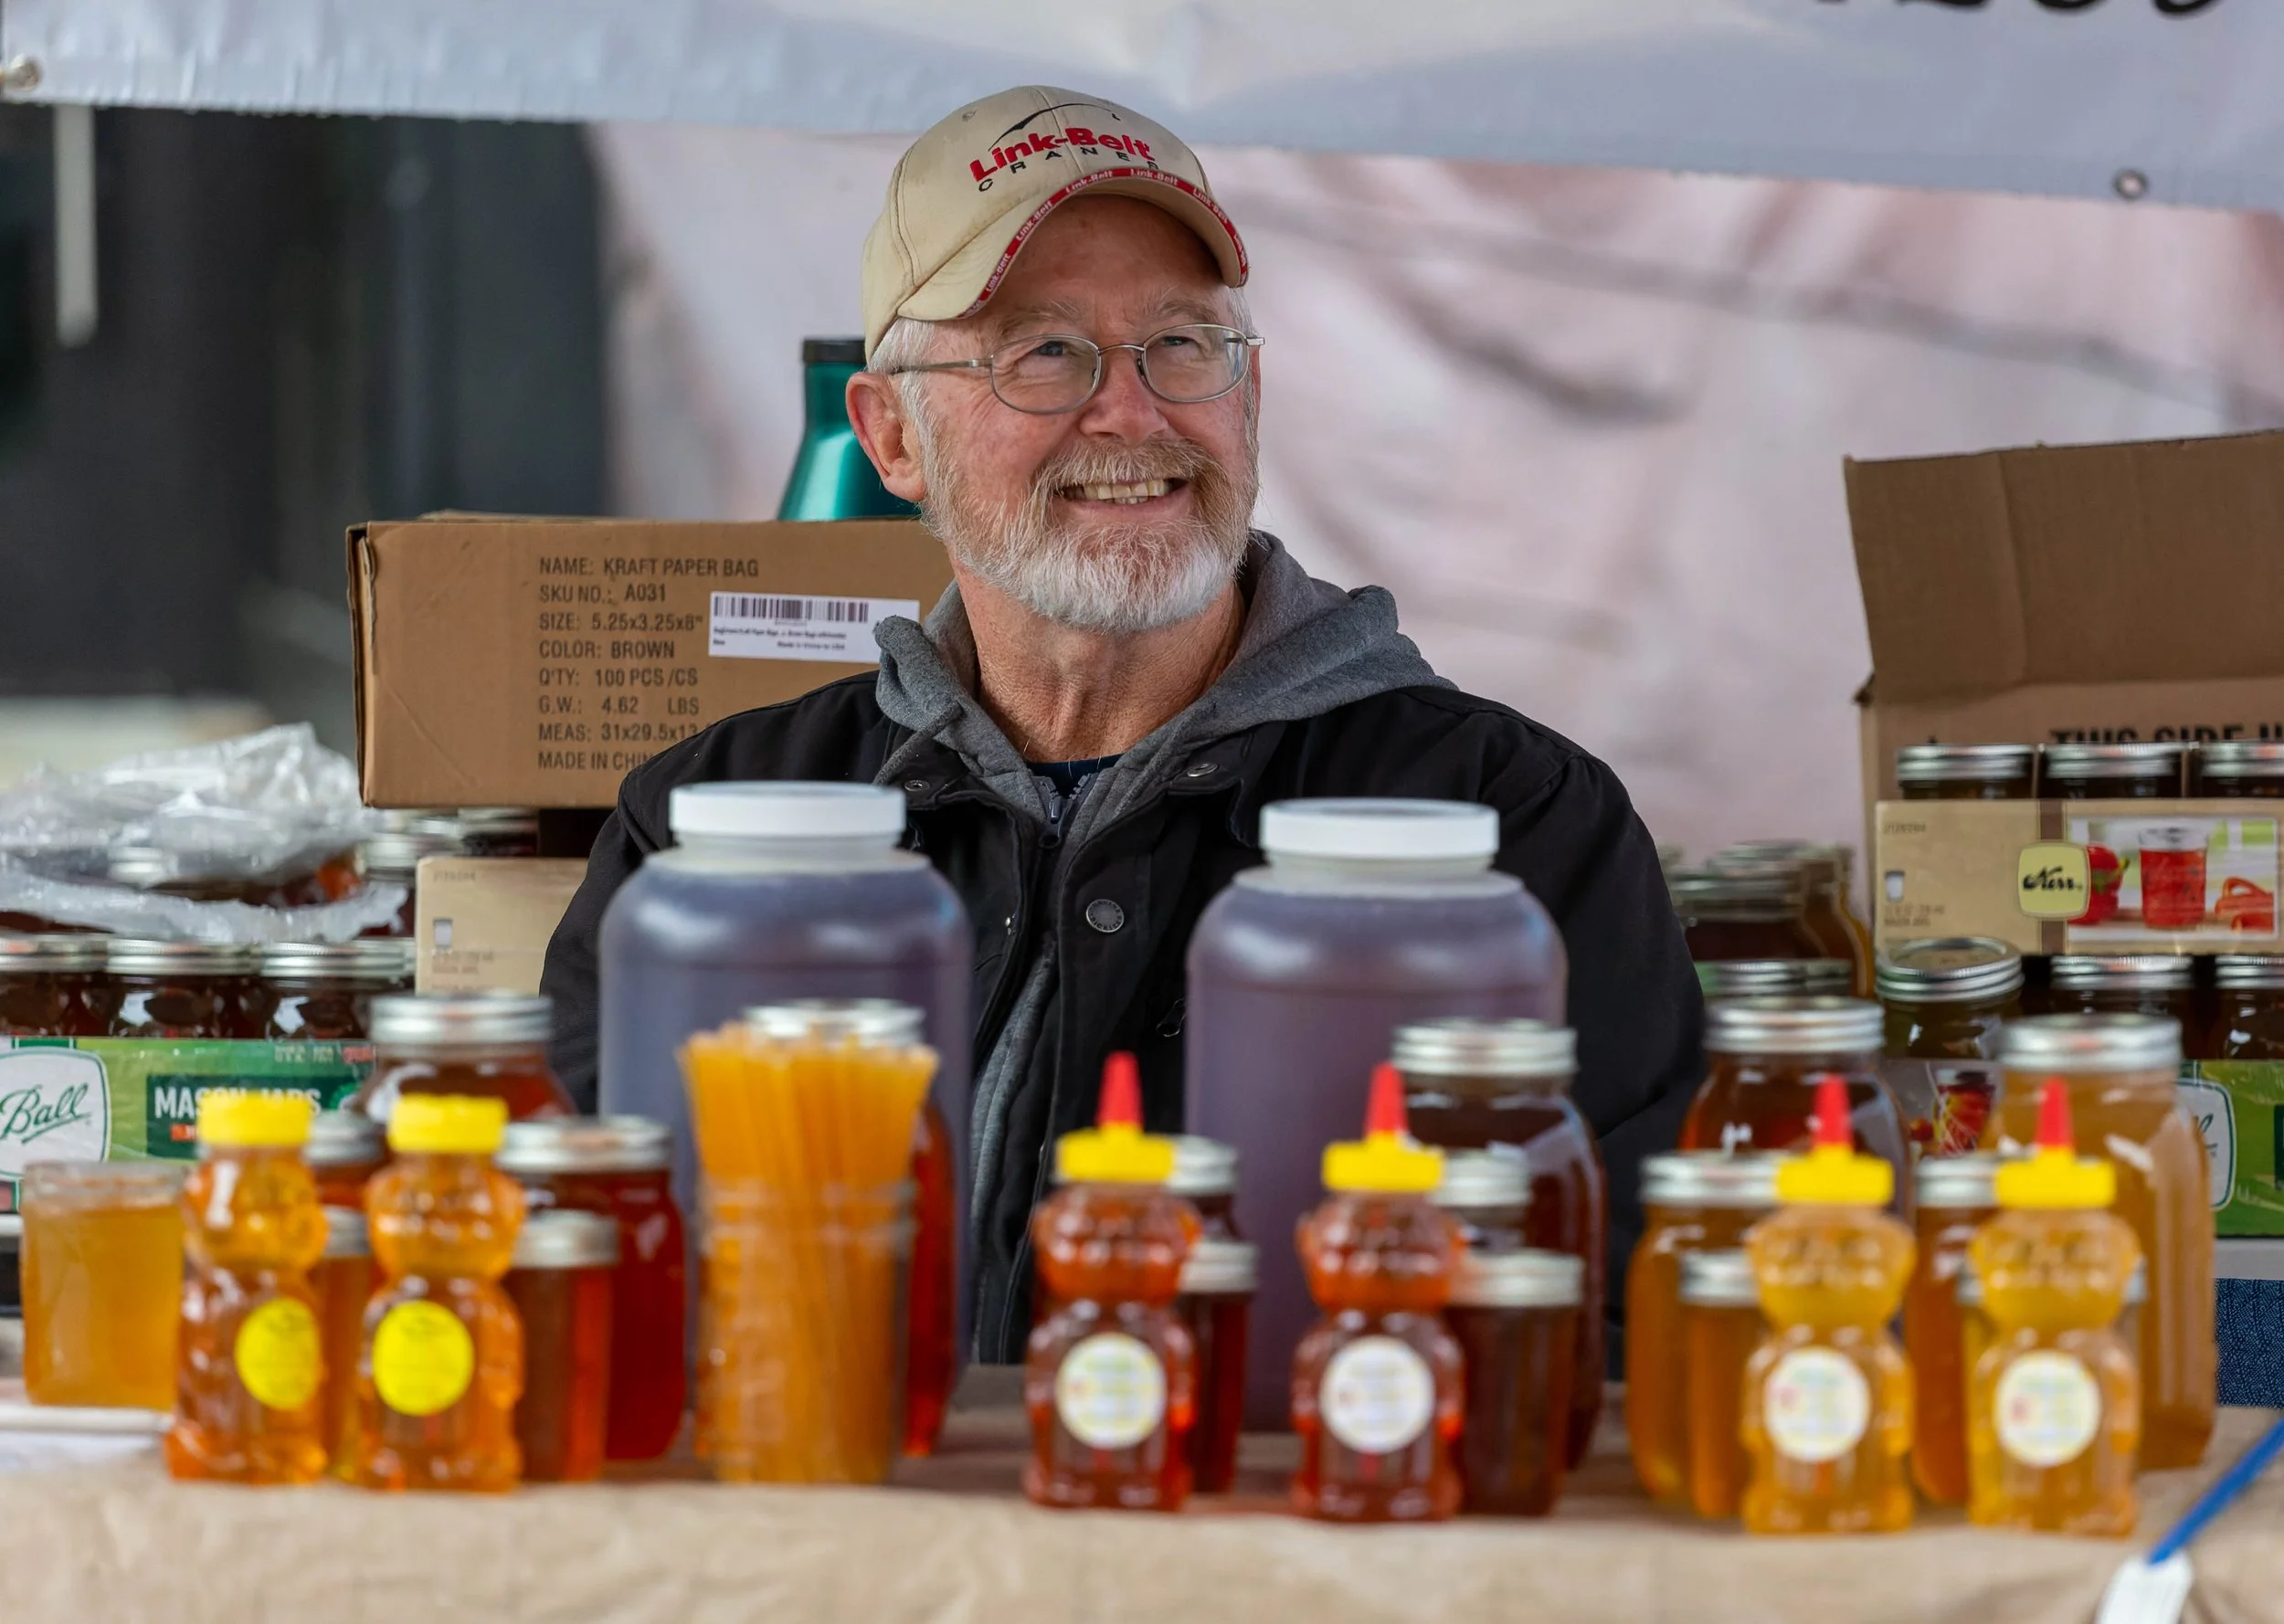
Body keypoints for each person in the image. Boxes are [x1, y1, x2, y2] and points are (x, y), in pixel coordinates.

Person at [542, 85, 1703, 1361]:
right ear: (891, 436)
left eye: (1184, 345)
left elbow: (1607, 1312)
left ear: (1249, 400)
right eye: (1043, 351)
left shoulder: (1505, 823)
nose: (1133, 412)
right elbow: (586, 1272)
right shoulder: (708, 838)